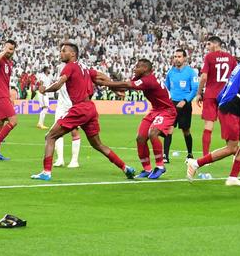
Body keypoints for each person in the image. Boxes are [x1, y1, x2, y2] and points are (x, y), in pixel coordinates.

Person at [31, 43, 135, 181]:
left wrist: (45, 90)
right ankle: (125, 168)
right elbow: (101, 77)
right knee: (97, 144)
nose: (61, 53)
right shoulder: (85, 68)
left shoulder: (70, 67)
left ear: (73, 54)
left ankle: (46, 172)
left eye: (64, 51)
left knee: (50, 137)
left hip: (79, 108)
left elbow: (58, 85)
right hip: (90, 109)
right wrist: (114, 88)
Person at [187, 42, 240, 187]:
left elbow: (230, 86)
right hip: (231, 108)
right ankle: (196, 163)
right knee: (231, 147)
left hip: (230, 105)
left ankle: (233, 177)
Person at [97, 59, 176, 180]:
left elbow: (127, 85)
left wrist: (107, 84)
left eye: (137, 67)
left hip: (167, 111)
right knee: (140, 138)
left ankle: (160, 166)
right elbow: (125, 86)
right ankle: (147, 169)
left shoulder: (149, 80)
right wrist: (111, 85)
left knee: (153, 133)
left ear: (145, 69)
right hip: (155, 110)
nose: (134, 68)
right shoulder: (142, 78)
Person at [196, 36, 237, 156]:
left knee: (208, 126)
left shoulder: (209, 57)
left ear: (215, 44)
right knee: (228, 126)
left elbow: (204, 77)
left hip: (211, 94)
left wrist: (199, 93)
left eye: (209, 44)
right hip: (226, 96)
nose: (207, 47)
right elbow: (235, 78)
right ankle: (235, 154)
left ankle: (205, 157)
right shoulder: (230, 58)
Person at [164, 49, 199, 161]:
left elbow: (194, 89)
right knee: (169, 129)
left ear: (184, 58)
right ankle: (165, 156)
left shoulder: (190, 72)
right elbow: (167, 87)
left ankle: (189, 154)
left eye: (179, 56)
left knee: (186, 130)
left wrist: (185, 100)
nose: (177, 59)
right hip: (172, 104)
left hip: (185, 104)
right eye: (175, 56)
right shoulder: (170, 72)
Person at [52, 61, 81, 168]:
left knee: (74, 131)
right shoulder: (59, 66)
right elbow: (58, 83)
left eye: (64, 51)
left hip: (72, 103)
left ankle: (74, 160)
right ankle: (60, 159)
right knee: (57, 131)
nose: (62, 53)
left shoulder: (77, 67)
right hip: (61, 104)